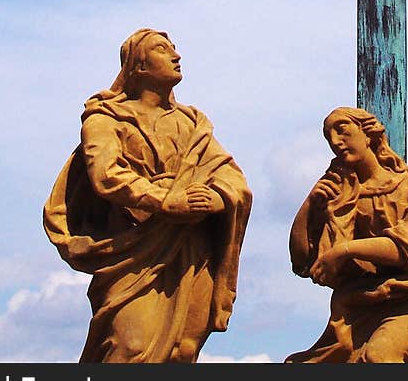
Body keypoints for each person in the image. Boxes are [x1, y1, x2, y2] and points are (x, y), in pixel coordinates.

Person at [43, 29, 252, 363]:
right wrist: (165, 200)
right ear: (137, 67)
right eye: (162, 48)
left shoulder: (192, 122)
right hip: (134, 246)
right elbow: (106, 174)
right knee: (131, 345)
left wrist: (218, 199)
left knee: (183, 349)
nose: (176, 55)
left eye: (174, 47)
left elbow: (228, 173)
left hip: (190, 245)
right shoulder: (105, 118)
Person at [284, 105, 408, 363]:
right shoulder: (346, 196)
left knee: (380, 356)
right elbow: (305, 261)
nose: (335, 142)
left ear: (368, 133)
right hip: (372, 298)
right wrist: (311, 205)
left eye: (342, 131)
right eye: (328, 137)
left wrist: (345, 250)